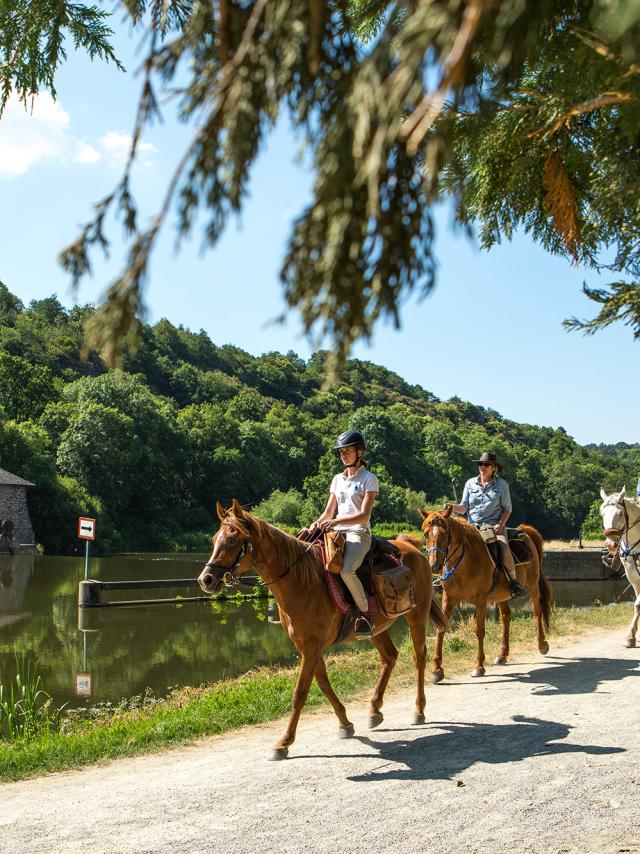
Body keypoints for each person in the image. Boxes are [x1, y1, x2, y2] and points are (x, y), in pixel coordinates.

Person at [311, 430, 379, 636]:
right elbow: (328, 512)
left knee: (347, 570)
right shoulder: (337, 479)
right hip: (337, 533)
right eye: (341, 452)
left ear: (360, 452)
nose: (343, 455)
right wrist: (314, 525)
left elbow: (363, 515)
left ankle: (365, 616)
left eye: (348, 451)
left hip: (359, 533)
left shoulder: (369, 478)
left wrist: (336, 521)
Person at [448, 452, 527, 599]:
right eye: (480, 464)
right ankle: (445, 579)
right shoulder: (470, 483)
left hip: (494, 527)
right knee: (452, 544)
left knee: (503, 547)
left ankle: (513, 582)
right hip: (472, 528)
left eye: (486, 464)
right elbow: (464, 507)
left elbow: (507, 509)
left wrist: (500, 524)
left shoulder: (502, 485)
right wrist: (452, 507)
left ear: (494, 468)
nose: (482, 467)